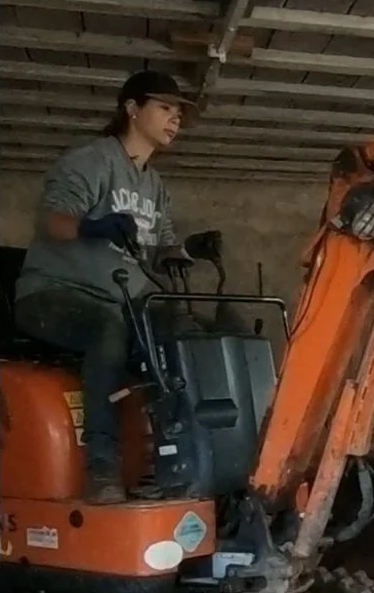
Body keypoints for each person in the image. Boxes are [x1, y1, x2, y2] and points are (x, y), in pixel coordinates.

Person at [14, 70, 223, 504]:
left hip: (126, 300)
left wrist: (189, 249)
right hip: (54, 295)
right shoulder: (91, 161)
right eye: (165, 108)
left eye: (179, 112)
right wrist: (94, 226)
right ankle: (102, 469)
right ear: (132, 108)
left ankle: (179, 461)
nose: (175, 119)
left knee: (188, 333)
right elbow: (53, 221)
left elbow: (160, 248)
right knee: (107, 330)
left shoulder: (154, 185)